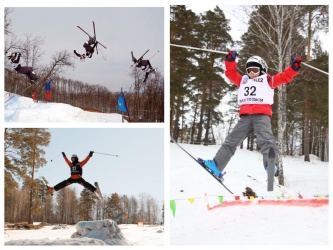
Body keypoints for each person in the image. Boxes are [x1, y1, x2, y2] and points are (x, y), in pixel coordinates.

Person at [199, 51, 302, 180]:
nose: (251, 73)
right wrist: (230, 61)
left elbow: (284, 77)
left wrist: (294, 68)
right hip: (245, 117)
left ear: (262, 69)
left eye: (254, 70)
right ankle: (216, 165)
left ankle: (270, 165)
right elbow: (230, 74)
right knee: (231, 141)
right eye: (249, 70)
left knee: (266, 140)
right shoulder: (243, 80)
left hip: (261, 115)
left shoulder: (268, 80)